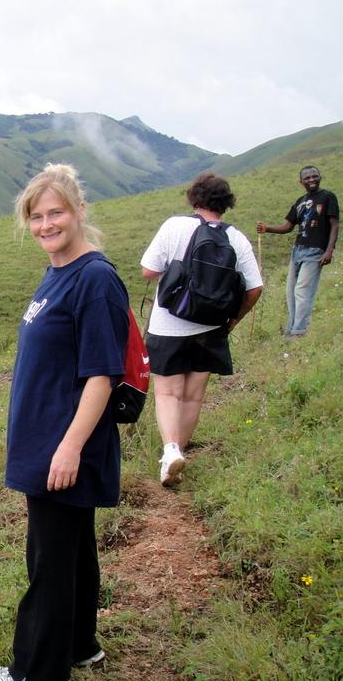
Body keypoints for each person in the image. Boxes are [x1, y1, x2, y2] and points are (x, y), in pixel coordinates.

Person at [0, 163, 129, 681]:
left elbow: (102, 375)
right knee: (73, 551)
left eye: (55, 212)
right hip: (47, 442)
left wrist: (68, 447)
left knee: (48, 558)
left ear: (79, 211)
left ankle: (36, 677)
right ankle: (80, 646)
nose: (45, 224)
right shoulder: (57, 272)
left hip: (64, 448)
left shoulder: (95, 279)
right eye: (36, 217)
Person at [141, 173, 263, 485]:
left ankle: (170, 452)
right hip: (211, 328)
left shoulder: (174, 226)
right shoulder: (236, 238)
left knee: (168, 392)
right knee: (193, 396)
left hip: (169, 324)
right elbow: (255, 288)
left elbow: (148, 270)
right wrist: (233, 319)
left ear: (194, 198)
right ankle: (177, 452)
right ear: (226, 204)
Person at [256, 165, 339, 337]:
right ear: (301, 181)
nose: (311, 180)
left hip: (316, 251)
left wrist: (329, 250)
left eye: (314, 176)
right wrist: (267, 229)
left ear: (320, 177)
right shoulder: (300, 201)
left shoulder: (328, 197)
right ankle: (291, 330)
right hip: (298, 251)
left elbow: (334, 225)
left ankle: (298, 332)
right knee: (291, 291)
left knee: (302, 291)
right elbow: (288, 226)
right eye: (307, 178)